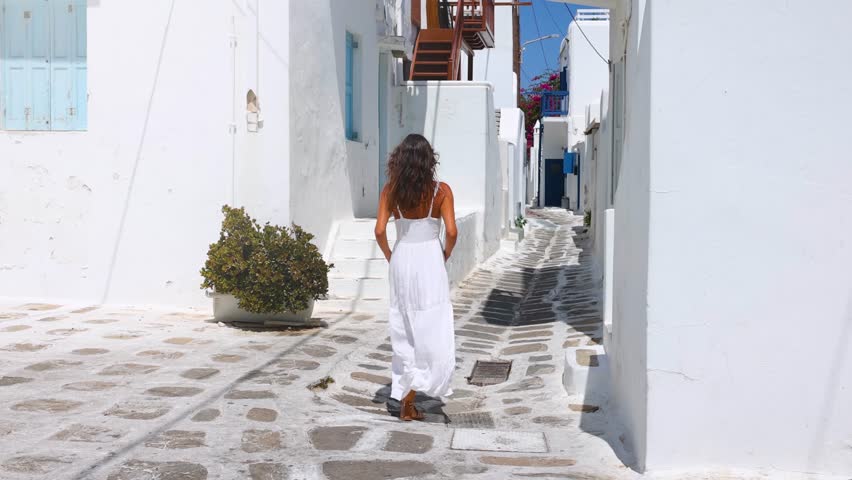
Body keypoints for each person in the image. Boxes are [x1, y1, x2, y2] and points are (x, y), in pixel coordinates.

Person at [374, 134, 458, 421]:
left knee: (404, 327)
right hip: (430, 260)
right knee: (431, 325)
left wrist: (390, 256)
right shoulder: (441, 191)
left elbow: (380, 231)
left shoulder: (390, 192)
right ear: (428, 161)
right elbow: (451, 232)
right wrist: (444, 255)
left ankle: (407, 401)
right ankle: (420, 389)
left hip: (402, 257)